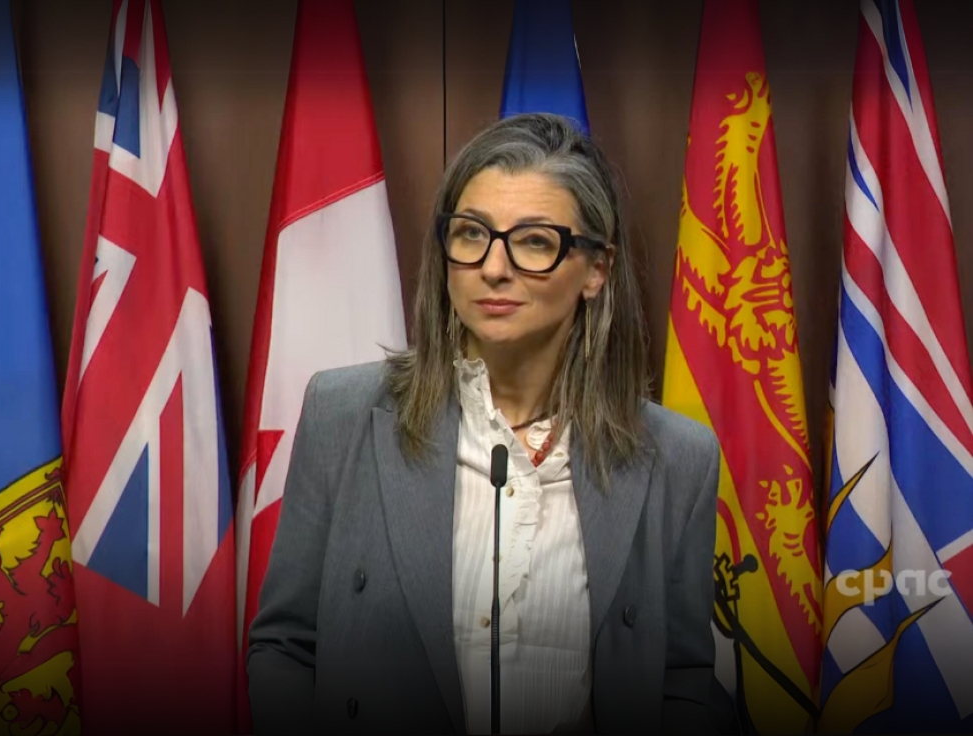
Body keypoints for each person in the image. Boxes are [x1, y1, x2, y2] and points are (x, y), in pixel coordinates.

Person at [246, 112, 735, 734]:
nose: (494, 268)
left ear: (596, 270)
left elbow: (682, 677)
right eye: (472, 234)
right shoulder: (344, 414)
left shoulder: (678, 457)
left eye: (534, 241)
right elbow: (285, 645)